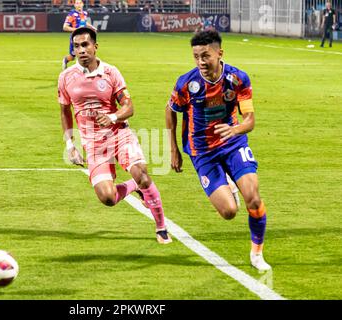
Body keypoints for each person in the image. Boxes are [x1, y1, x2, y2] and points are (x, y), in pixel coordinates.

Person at [165, 30, 271, 271]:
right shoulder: (186, 84)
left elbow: (250, 120)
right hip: (202, 152)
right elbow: (170, 110)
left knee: (253, 199)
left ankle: (257, 253)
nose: (201, 62)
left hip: (233, 144)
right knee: (229, 212)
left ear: (219, 53)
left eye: (206, 56)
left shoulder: (238, 79)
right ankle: (227, 185)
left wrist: (236, 131)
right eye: (196, 57)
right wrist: (173, 149)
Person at [58, 27, 172, 244]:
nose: (81, 50)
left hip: (119, 135)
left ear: (95, 47)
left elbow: (129, 107)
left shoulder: (111, 72)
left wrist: (112, 117)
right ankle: (134, 186)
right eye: (77, 46)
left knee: (142, 173)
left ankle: (161, 227)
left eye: (85, 45)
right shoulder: (66, 77)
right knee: (108, 198)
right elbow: (64, 110)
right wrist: (69, 145)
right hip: (93, 144)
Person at [62, 0, 96, 70]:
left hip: (84, 37)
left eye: (80, 3)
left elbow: (84, 22)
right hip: (75, 38)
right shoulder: (72, 14)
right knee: (72, 56)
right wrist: (77, 30)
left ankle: (84, 69)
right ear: (74, 5)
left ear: (83, 4)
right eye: (77, 3)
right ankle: (66, 60)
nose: (79, 5)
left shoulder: (84, 13)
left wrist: (91, 27)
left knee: (86, 52)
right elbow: (65, 27)